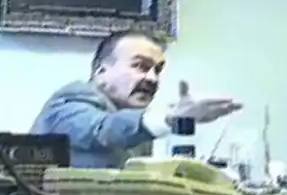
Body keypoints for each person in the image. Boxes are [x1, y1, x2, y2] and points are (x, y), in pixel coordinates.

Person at [30, 30, 242, 168]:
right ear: (102, 71)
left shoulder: (136, 123)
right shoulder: (71, 100)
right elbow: (103, 130)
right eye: (140, 66)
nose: (152, 78)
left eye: (157, 70)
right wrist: (171, 117)